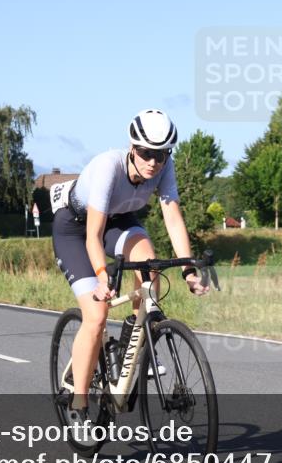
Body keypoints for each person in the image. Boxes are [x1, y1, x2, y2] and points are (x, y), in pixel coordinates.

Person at [50, 109, 209, 426]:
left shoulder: (163, 169)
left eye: (162, 154)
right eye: (147, 153)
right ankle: (78, 406)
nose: (154, 162)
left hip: (119, 221)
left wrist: (189, 271)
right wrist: (100, 277)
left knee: (152, 276)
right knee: (96, 315)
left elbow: (173, 219)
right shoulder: (109, 167)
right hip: (76, 228)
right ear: (132, 147)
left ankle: (128, 346)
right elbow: (93, 235)